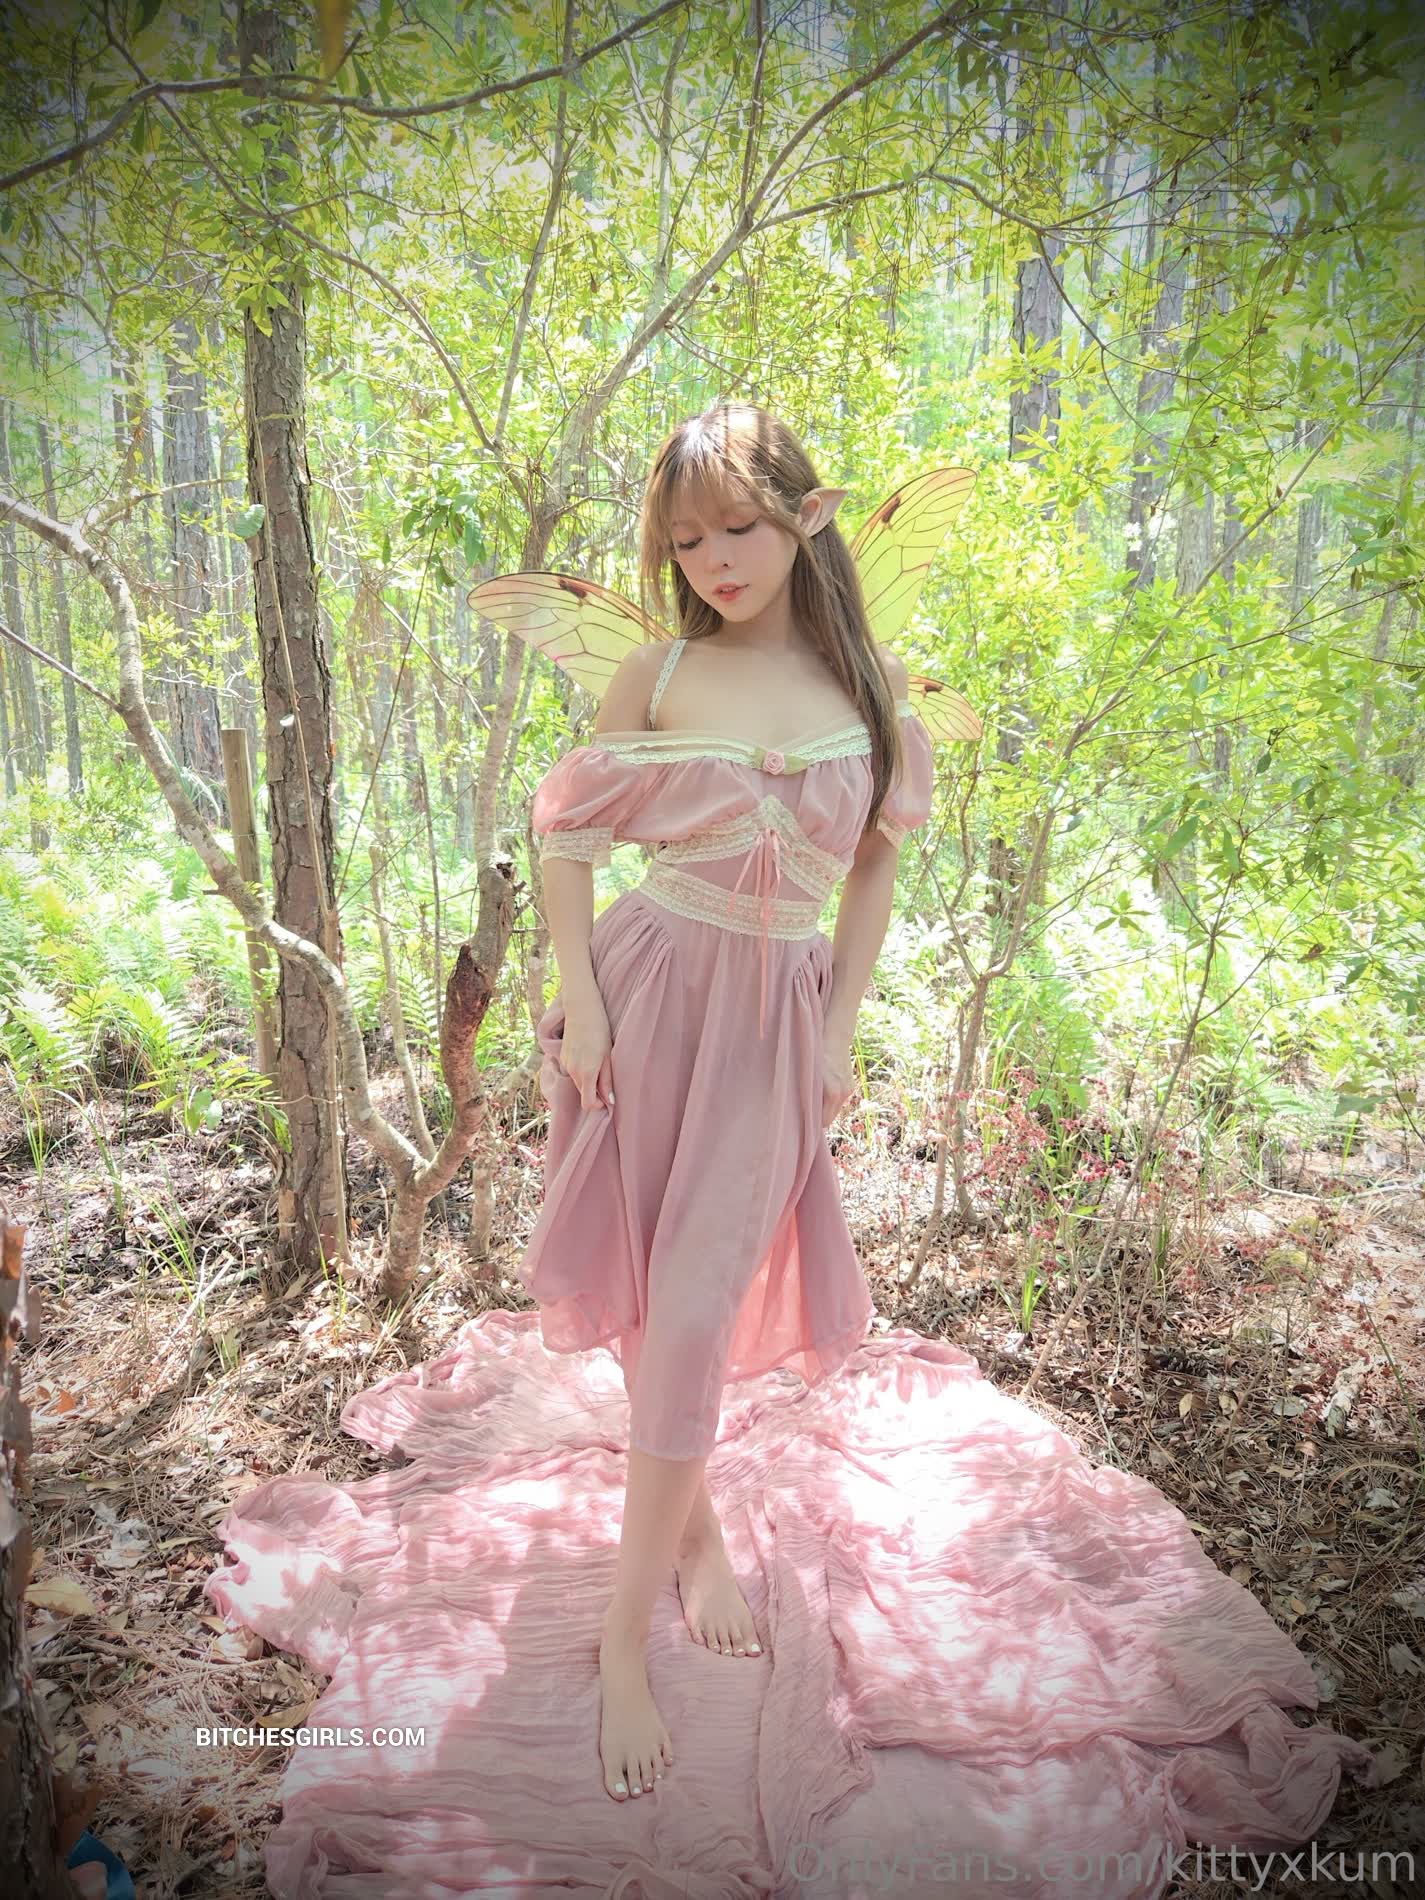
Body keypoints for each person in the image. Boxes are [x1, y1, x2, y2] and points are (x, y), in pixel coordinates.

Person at [518, 401, 935, 1804]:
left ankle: (639, 1600)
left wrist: (841, 1023)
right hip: (647, 994)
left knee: (699, 1301)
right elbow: (566, 832)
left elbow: (874, 863)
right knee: (653, 1293)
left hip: (772, 1020)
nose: (714, 562)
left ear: (807, 517)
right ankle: (662, 1577)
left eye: (738, 529)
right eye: (687, 542)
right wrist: (578, 995)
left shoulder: (867, 684)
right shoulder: (659, 671)